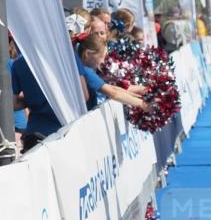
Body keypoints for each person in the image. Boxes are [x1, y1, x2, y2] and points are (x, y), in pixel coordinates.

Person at [12, 34, 150, 152]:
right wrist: (145, 105)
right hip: (65, 132)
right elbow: (89, 94)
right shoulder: (68, 59)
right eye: (102, 57)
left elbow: (14, 103)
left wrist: (34, 100)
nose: (103, 61)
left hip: (35, 134)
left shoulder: (18, 64)